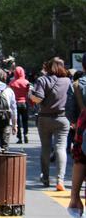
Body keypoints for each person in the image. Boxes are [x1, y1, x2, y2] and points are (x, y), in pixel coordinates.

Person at [30, 57, 70, 191]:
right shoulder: (68, 81)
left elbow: (37, 99)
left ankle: (46, 177)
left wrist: (30, 94)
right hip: (62, 119)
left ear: (48, 67)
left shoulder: (42, 80)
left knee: (46, 148)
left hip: (44, 118)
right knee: (61, 148)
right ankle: (60, 179)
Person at [66, 53, 86, 216]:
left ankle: (74, 199)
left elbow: (70, 111)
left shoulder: (77, 85)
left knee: (80, 159)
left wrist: (75, 122)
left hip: (84, 127)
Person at [9, 66, 31, 144]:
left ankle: (19, 138)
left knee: (17, 121)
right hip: (24, 103)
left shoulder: (12, 83)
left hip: (15, 104)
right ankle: (26, 134)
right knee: (25, 120)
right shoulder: (26, 82)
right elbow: (29, 93)